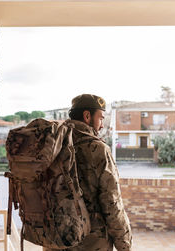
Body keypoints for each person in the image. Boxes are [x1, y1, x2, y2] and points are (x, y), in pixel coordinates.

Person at [44, 94, 132, 251]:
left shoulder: (51, 145)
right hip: (90, 243)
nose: (102, 125)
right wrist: (124, 245)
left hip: (54, 240)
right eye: (100, 118)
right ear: (87, 116)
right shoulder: (98, 149)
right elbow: (112, 204)